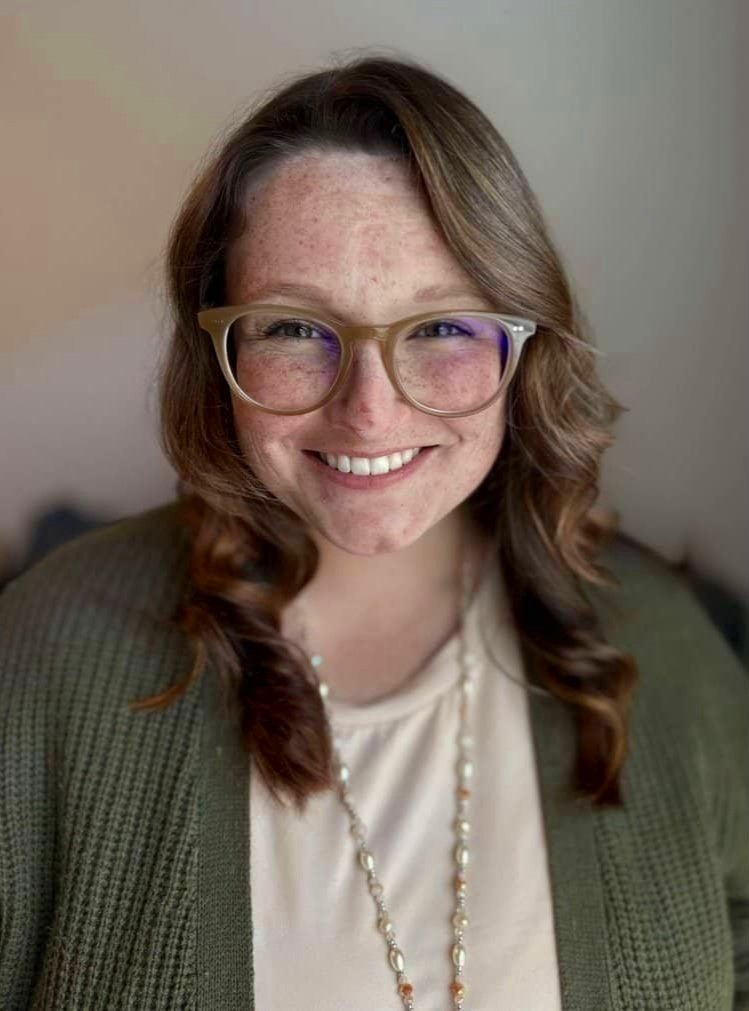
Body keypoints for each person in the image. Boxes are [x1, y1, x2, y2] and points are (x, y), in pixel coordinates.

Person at [1, 53, 747, 1011]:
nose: (368, 412)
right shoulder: (52, 652)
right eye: (294, 329)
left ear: (523, 348)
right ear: (214, 350)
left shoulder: (663, 647)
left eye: (439, 329)